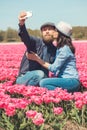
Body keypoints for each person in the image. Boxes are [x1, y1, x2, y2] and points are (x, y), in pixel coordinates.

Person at [26, 21, 80, 92]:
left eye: (55, 31)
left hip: (71, 81)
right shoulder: (60, 48)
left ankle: (65, 96)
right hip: (67, 80)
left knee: (43, 82)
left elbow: (54, 68)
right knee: (44, 81)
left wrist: (37, 59)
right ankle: (63, 94)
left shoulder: (64, 49)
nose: (53, 32)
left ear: (60, 34)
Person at [16, 11, 57, 86]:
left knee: (46, 79)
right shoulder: (35, 42)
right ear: (41, 33)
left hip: (42, 78)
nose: (47, 31)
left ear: (55, 32)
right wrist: (21, 24)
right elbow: (25, 37)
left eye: (49, 29)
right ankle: (27, 91)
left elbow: (56, 67)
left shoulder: (54, 50)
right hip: (24, 77)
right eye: (44, 30)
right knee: (40, 74)